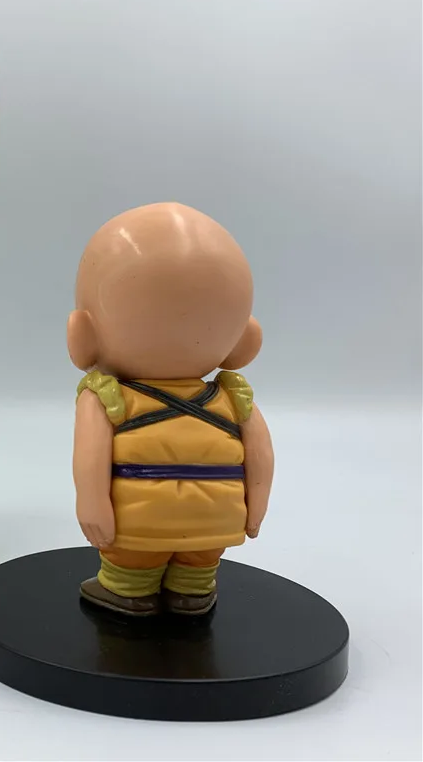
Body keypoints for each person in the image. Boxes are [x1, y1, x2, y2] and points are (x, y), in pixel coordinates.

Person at [68, 203, 274, 616]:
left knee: (131, 564)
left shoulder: (105, 396)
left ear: (82, 333)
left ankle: (127, 591)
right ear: (246, 341)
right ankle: (192, 592)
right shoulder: (233, 397)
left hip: (140, 521)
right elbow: (261, 459)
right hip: (217, 518)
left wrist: (92, 506)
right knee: (200, 562)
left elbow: (89, 462)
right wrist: (256, 509)